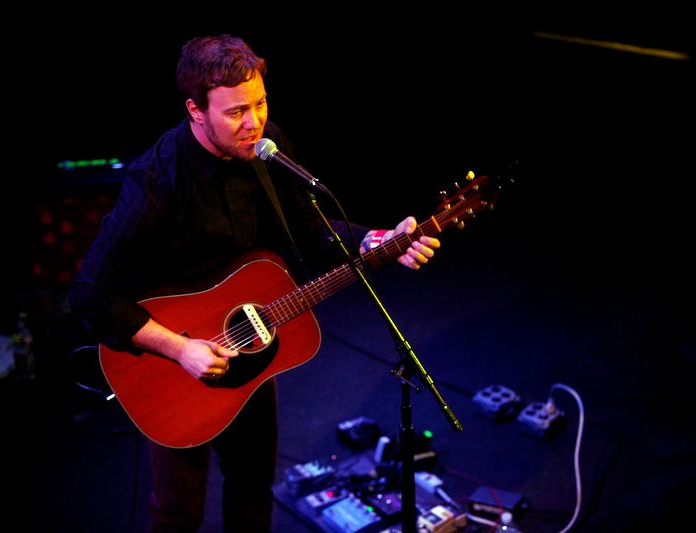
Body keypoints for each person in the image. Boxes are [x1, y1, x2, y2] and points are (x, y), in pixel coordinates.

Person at [68, 34, 440, 532]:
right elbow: (90, 294)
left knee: (251, 489)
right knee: (178, 512)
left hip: (251, 349)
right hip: (174, 367)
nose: (254, 123)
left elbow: (311, 231)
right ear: (196, 111)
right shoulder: (156, 179)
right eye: (236, 112)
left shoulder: (267, 148)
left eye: (260, 104)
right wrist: (180, 348)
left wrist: (377, 240)